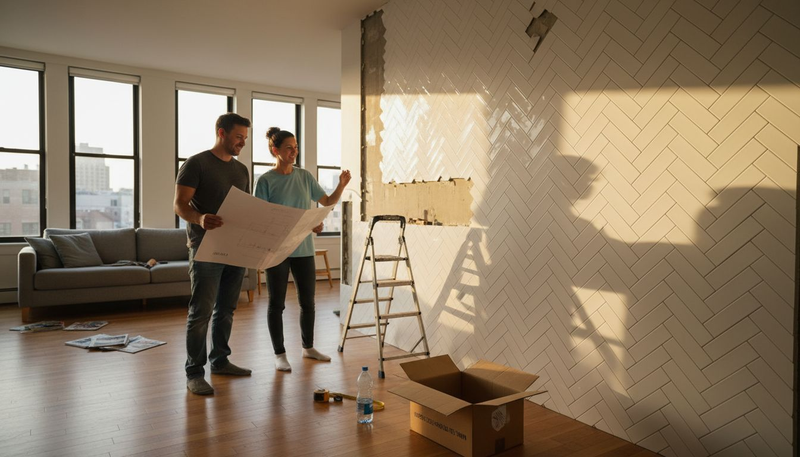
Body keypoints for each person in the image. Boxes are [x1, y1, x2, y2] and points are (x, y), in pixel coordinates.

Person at [255, 127, 351, 372]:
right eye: (289, 147)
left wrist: (341, 185)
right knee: (276, 304)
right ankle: (279, 354)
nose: (294, 151)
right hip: (276, 251)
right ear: (275, 151)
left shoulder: (305, 176)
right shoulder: (265, 180)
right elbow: (261, 218)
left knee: (308, 302)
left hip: (304, 248)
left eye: (296, 147)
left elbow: (327, 202)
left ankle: (308, 348)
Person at [174, 113, 253, 395]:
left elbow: (244, 207)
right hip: (205, 248)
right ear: (221, 133)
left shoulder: (242, 170)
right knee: (201, 312)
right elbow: (180, 205)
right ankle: (194, 372)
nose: (242, 142)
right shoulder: (196, 163)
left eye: (245, 137)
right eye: (238, 137)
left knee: (227, 310)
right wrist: (200, 218)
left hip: (235, 248)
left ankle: (220, 360)